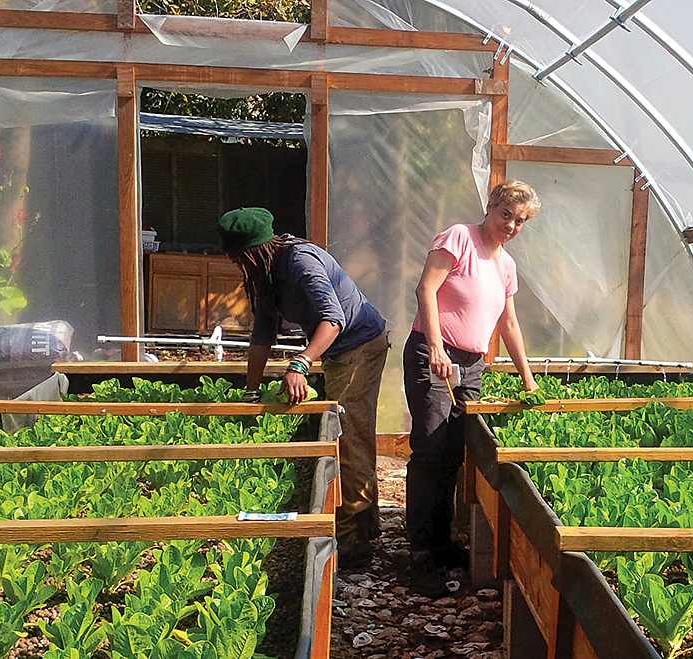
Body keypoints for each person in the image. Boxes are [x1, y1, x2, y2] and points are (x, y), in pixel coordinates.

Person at [217, 207, 390, 570]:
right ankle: (366, 527)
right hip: (337, 349)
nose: (238, 267)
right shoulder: (264, 273)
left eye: (238, 259)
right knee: (345, 433)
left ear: (253, 251)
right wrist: (251, 391)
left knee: (348, 438)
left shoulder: (300, 263)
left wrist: (301, 362)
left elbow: (333, 318)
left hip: (358, 345)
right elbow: (264, 329)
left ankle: (355, 544)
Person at [404, 179, 541, 596]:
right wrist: (435, 347)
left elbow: (509, 323)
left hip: (472, 363)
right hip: (435, 353)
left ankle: (444, 542)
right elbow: (426, 288)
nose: (511, 225)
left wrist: (528, 377)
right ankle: (421, 551)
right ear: (491, 206)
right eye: (506, 215)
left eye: (519, 221)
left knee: (456, 450)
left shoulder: (506, 266)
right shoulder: (459, 238)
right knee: (430, 445)